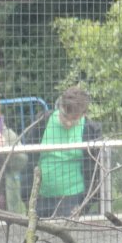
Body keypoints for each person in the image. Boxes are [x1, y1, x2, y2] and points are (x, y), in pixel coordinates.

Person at [21, 86, 103, 217]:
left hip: (73, 200)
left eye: (74, 119)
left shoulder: (91, 130)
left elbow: (95, 171)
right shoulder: (42, 122)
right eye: (65, 116)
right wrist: (26, 197)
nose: (69, 123)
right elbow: (28, 161)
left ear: (83, 114)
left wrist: (84, 204)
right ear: (60, 106)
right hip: (40, 198)